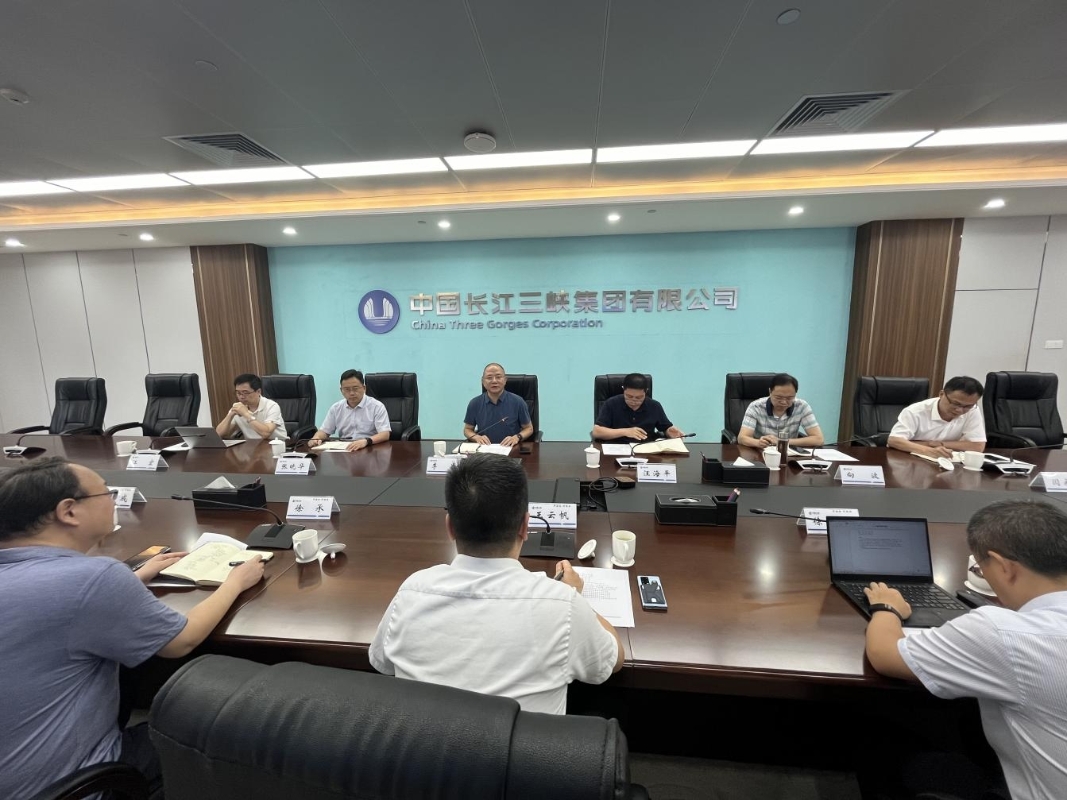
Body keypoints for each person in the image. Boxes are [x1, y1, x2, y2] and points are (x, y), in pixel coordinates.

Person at [0, 458, 265, 799]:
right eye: (105, 493)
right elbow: (182, 641)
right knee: (232, 726)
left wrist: (131, 577)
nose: (113, 500)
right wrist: (235, 581)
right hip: (78, 785)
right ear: (69, 511)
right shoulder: (94, 578)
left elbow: (54, 605)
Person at [369, 454, 623, 713]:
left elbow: (381, 662)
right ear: (525, 526)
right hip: (521, 742)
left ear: (450, 527)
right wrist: (575, 595)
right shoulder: (563, 606)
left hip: (426, 740)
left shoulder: (411, 593)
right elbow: (613, 659)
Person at [863, 500, 1067, 800]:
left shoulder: (1003, 633)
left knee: (879, 740)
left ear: (1004, 566)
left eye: (980, 567)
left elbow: (884, 654)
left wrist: (886, 606)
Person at [887, 375, 986, 458]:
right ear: (941, 394)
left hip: (949, 462)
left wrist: (938, 444)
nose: (960, 410)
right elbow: (894, 440)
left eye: (968, 406)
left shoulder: (972, 411)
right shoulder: (915, 411)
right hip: (911, 460)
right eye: (956, 404)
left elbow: (978, 446)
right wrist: (928, 451)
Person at [308, 369, 392, 451]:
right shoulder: (336, 408)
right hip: (344, 449)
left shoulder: (377, 406)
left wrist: (366, 441)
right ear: (341, 390)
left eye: (355, 388)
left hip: (370, 448)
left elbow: (385, 434)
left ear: (364, 388)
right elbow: (324, 431)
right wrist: (316, 438)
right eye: (347, 389)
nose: (351, 393)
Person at [736, 373, 824, 449]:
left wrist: (782, 441)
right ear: (770, 391)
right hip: (761, 452)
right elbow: (742, 438)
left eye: (789, 398)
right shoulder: (756, 406)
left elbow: (819, 439)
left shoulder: (802, 406)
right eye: (779, 397)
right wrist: (758, 443)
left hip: (789, 453)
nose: (784, 402)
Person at [592, 373, 684, 443]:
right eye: (629, 396)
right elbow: (597, 431)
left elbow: (666, 428)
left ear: (646, 391)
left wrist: (670, 432)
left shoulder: (654, 406)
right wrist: (625, 432)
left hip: (645, 450)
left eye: (639, 397)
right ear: (623, 389)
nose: (634, 401)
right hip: (616, 449)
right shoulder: (611, 403)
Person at [462, 363, 534, 446]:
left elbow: (529, 428)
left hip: (511, 448)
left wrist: (517, 437)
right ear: (483, 381)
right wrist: (477, 437)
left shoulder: (518, 402)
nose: (494, 381)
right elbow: (467, 429)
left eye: (498, 377)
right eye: (489, 378)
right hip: (485, 449)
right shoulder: (474, 403)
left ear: (505, 380)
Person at [214, 373, 286, 440]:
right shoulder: (238, 407)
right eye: (238, 393)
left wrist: (246, 414)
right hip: (252, 446)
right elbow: (219, 434)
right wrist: (230, 415)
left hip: (276, 444)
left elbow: (266, 433)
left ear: (258, 391)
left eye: (245, 393)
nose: (241, 397)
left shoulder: (271, 406)